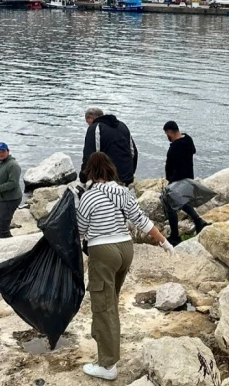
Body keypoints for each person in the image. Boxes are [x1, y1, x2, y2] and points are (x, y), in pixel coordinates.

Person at [77, 152, 172, 381]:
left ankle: (107, 366)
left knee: (104, 307)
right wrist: (164, 241)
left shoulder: (88, 197)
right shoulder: (123, 192)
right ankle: (102, 336)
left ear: (91, 172)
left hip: (104, 252)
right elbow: (140, 219)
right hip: (125, 249)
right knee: (110, 302)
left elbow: (79, 229)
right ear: (111, 169)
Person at [163, 121, 210, 246]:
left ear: (169, 132)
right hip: (189, 178)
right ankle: (198, 221)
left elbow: (171, 167)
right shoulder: (188, 140)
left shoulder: (174, 148)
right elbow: (192, 151)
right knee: (181, 201)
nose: (167, 137)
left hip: (178, 180)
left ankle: (174, 237)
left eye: (166, 134)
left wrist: (170, 180)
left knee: (170, 203)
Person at [80, 107, 138, 187]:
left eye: (88, 122)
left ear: (91, 117)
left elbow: (89, 157)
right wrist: (130, 174)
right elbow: (133, 152)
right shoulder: (122, 126)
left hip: (108, 179)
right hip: (126, 179)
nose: (88, 125)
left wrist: (82, 180)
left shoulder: (95, 128)